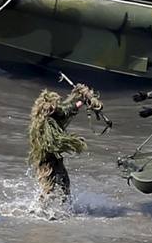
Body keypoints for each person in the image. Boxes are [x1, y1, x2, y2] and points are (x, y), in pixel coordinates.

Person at [28, 84, 102, 214]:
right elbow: (55, 142)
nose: (54, 108)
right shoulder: (44, 125)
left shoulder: (55, 115)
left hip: (56, 160)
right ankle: (39, 211)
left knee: (65, 185)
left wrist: (82, 101)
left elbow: (67, 110)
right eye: (52, 107)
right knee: (48, 189)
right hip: (45, 163)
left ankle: (65, 211)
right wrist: (74, 142)